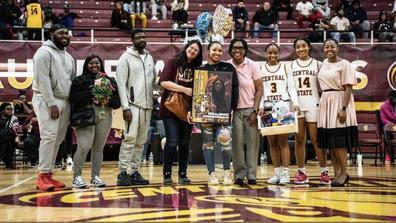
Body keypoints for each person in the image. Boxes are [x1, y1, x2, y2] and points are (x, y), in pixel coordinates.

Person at [32, 24, 75, 191]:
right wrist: (51, 103)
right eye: (60, 33)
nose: (65, 35)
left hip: (64, 100)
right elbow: (42, 80)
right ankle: (42, 175)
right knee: (48, 137)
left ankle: (48, 174)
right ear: (51, 34)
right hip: (47, 99)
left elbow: (71, 81)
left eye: (66, 32)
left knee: (58, 139)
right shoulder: (44, 52)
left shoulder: (68, 56)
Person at [69, 55, 120, 188]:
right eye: (90, 63)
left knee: (98, 148)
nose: (94, 65)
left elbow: (117, 102)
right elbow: (74, 98)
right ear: (86, 65)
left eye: (97, 63)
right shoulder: (79, 80)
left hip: (105, 114)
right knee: (84, 146)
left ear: (101, 65)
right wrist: (92, 94)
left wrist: (106, 99)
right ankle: (77, 177)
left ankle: (95, 177)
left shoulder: (109, 80)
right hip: (86, 115)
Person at [192, 41, 238, 185]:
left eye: (220, 50)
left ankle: (226, 172)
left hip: (224, 114)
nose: (217, 53)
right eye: (214, 50)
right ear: (208, 51)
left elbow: (235, 90)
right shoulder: (201, 69)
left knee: (225, 140)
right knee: (208, 144)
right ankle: (211, 174)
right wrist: (193, 111)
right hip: (206, 115)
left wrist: (232, 109)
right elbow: (195, 94)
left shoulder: (228, 68)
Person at [116, 29, 157, 186]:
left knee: (141, 141)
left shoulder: (149, 57)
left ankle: (134, 171)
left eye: (143, 37)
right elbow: (121, 83)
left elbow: (154, 81)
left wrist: (160, 86)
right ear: (132, 39)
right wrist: (125, 107)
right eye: (138, 37)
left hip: (147, 107)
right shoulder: (125, 58)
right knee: (129, 139)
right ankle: (122, 172)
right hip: (132, 106)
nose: (142, 39)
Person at [159, 39, 203, 185]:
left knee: (185, 143)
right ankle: (167, 174)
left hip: (187, 111)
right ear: (186, 48)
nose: (193, 51)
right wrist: (184, 89)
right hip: (170, 108)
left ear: (198, 54)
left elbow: (197, 92)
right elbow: (164, 82)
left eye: (196, 50)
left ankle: (183, 174)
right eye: (191, 48)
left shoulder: (197, 68)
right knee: (172, 142)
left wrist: (192, 110)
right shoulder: (173, 61)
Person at [317, 38, 358, 187]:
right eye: (326, 47)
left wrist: (344, 108)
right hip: (326, 102)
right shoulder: (323, 64)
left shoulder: (345, 64)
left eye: (332, 46)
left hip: (339, 101)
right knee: (330, 142)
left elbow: (348, 88)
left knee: (339, 142)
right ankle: (336, 173)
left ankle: (344, 173)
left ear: (338, 48)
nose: (329, 49)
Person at [290, 37, 329, 185]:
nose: (301, 49)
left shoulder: (318, 64)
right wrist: (295, 102)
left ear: (309, 47)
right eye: (298, 47)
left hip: (314, 104)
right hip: (298, 106)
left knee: (315, 139)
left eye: (303, 46)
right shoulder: (292, 65)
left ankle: (324, 172)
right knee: (299, 139)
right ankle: (301, 172)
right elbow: (292, 87)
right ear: (295, 49)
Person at [259, 43, 300, 185]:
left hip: (283, 107)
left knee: (283, 141)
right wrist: (260, 106)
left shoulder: (285, 67)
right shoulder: (261, 69)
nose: (272, 55)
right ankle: (276, 173)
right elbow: (260, 91)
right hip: (268, 108)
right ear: (266, 54)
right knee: (272, 142)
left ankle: (286, 174)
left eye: (275, 53)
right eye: (269, 53)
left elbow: (292, 88)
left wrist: (295, 103)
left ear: (279, 54)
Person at [227, 38, 263, 185]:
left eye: (241, 48)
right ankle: (239, 174)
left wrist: (255, 110)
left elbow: (260, 89)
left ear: (245, 50)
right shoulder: (227, 66)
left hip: (250, 110)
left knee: (252, 143)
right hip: (234, 111)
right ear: (230, 50)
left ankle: (252, 174)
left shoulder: (253, 65)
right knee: (237, 143)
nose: (237, 50)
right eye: (234, 47)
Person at [0, 102, 19, 169]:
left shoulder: (14, 118)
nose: (10, 110)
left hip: (9, 139)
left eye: (11, 109)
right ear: (2, 110)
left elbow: (14, 130)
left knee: (8, 142)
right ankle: (8, 162)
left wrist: (2, 132)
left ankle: (7, 161)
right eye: (7, 109)